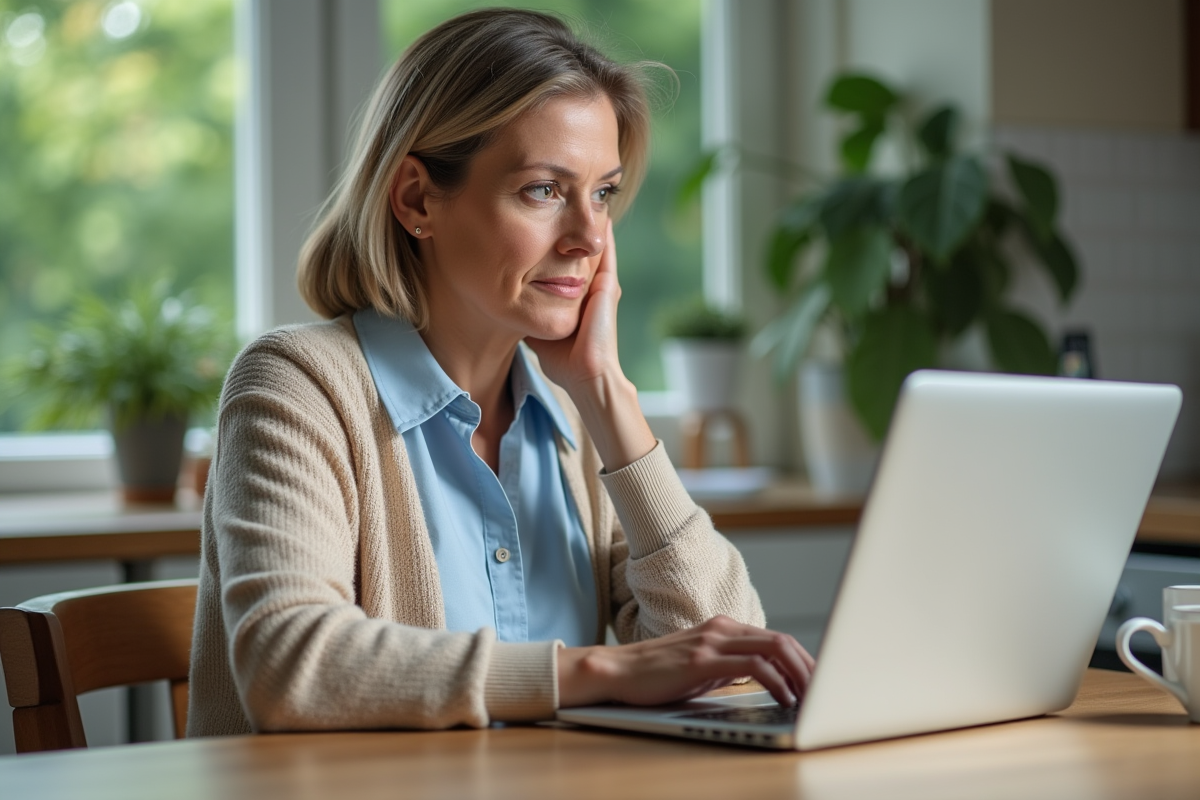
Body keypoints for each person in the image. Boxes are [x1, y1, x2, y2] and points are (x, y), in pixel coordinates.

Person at [187, 7, 813, 737]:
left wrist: (607, 395)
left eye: (603, 193)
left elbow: (726, 655)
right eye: (544, 190)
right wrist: (603, 671)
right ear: (418, 199)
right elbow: (290, 667)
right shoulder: (294, 385)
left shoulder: (574, 410)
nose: (587, 237)